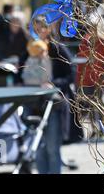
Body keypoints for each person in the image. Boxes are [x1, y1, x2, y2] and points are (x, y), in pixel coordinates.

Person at [32, 18, 76, 174]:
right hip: (36, 105)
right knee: (38, 150)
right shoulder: (32, 49)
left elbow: (72, 73)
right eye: (36, 29)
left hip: (55, 104)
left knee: (52, 148)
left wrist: (55, 84)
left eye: (41, 29)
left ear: (48, 29)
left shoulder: (57, 48)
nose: (39, 32)